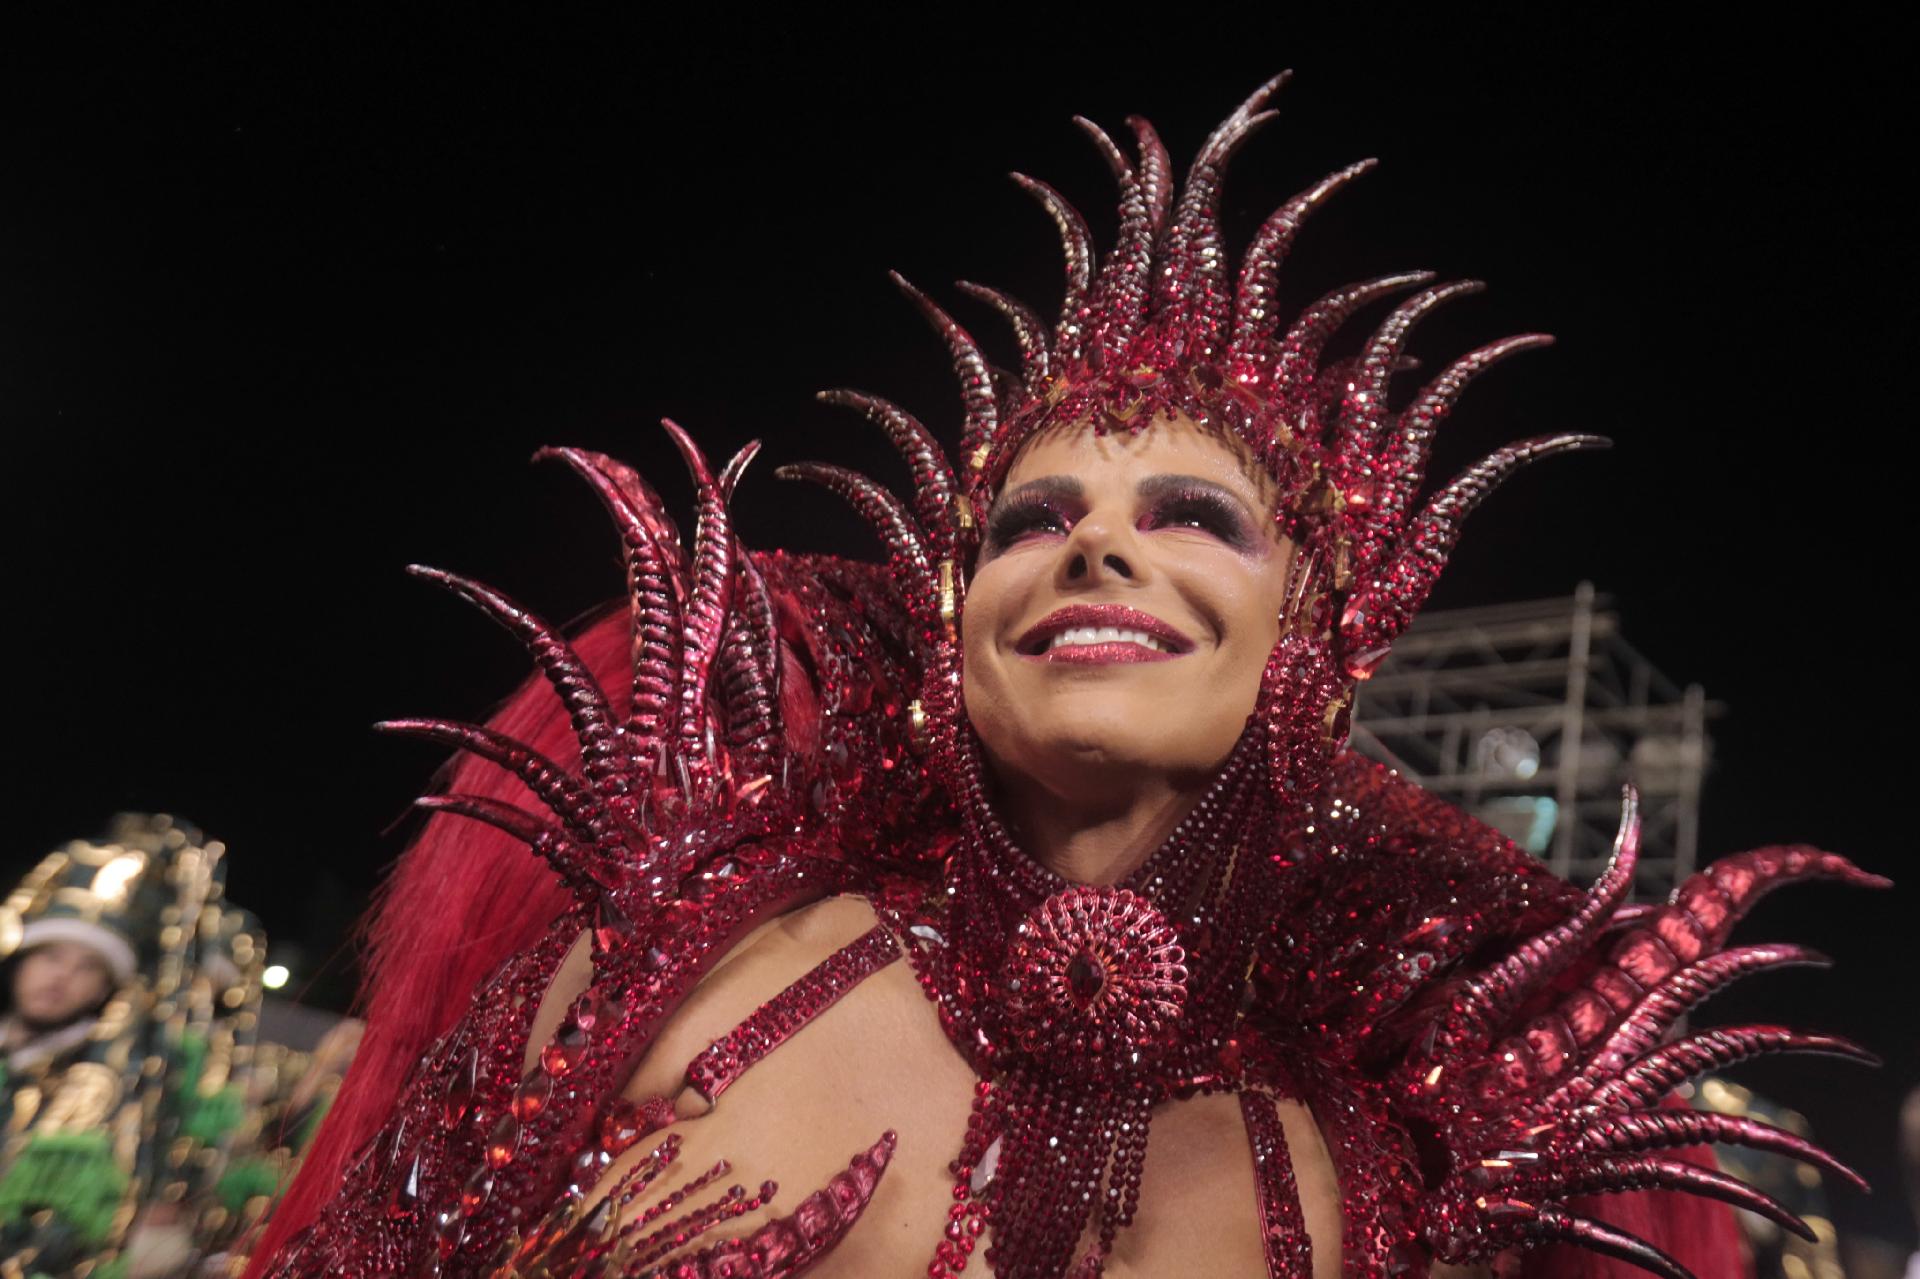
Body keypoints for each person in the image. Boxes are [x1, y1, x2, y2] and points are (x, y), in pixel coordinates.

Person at [252, 76, 1885, 1278]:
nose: (1098, 551)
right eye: (1037, 518)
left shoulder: (1404, 1172)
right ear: (960, 609)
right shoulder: (680, 973)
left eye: (1195, 518)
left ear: (1319, 631)